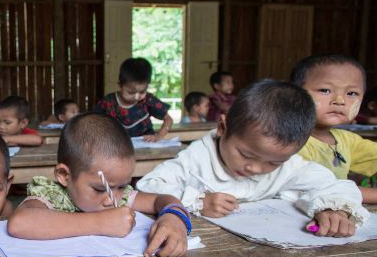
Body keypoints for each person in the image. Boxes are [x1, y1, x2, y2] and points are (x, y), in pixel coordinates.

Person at [138, 80, 369, 237]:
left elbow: (333, 185)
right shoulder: (197, 158)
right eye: (246, 154)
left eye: (273, 163)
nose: (255, 168)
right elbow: (148, 187)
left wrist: (334, 209)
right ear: (222, 127)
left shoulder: (289, 166)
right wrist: (197, 201)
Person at [8, 112, 190, 257]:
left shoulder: (120, 196)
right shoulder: (52, 195)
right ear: (64, 176)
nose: (112, 199)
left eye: (121, 186)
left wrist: (173, 217)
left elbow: (162, 199)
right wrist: (100, 223)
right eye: (100, 189)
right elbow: (19, 223)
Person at [290, 54, 377, 203]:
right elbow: (320, 189)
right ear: (294, 94)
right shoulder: (290, 141)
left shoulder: (347, 139)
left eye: (351, 93)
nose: (339, 101)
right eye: (325, 90)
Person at [94, 58, 173, 142]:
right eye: (131, 92)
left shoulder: (148, 100)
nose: (136, 96)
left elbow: (168, 119)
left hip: (146, 145)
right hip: (117, 146)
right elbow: (93, 122)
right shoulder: (107, 102)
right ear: (120, 86)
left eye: (142, 92)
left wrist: (159, 136)